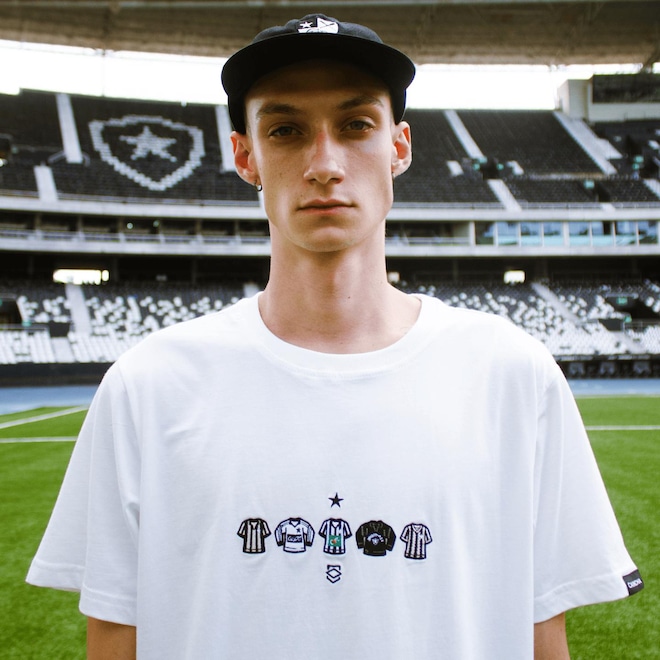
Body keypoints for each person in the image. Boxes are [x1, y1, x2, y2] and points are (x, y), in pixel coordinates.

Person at [27, 14, 643, 660]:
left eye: (356, 125)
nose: (324, 164)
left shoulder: (513, 373)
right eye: (285, 130)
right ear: (245, 155)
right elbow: (116, 637)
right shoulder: (149, 383)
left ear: (399, 146)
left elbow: (543, 636)